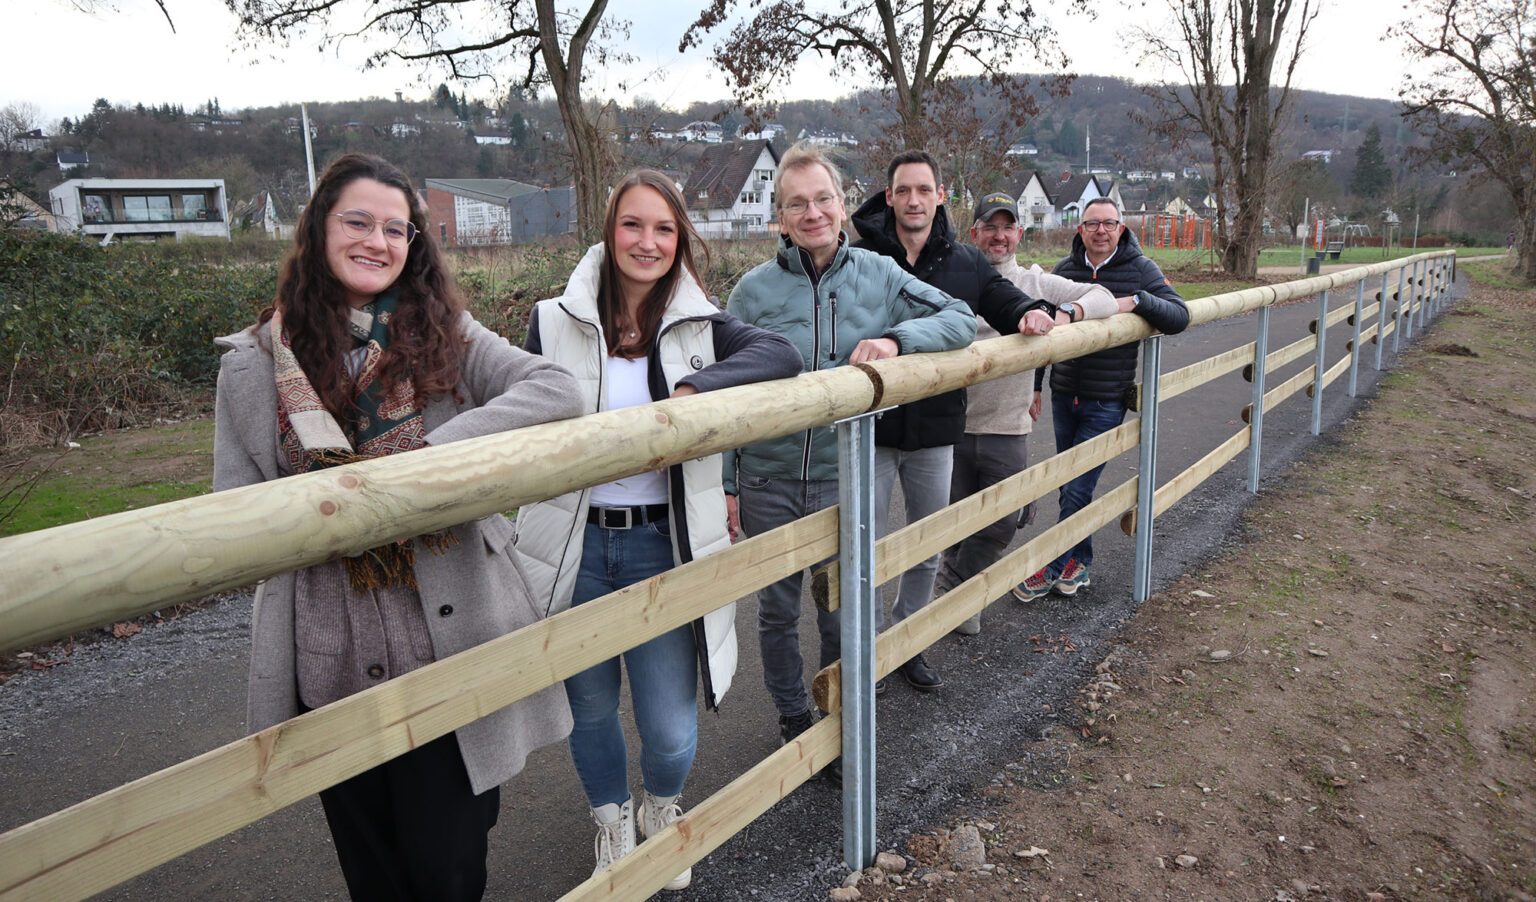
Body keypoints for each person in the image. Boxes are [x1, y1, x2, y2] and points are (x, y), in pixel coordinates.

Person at [212, 152, 582, 901]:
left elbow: (557, 389)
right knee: (375, 875)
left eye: (396, 229)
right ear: (319, 228)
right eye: (359, 222)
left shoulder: (445, 332)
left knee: (449, 868)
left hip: (450, 642)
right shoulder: (254, 367)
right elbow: (233, 514)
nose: (378, 241)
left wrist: (417, 468)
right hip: (331, 656)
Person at [514, 169, 800, 887]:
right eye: (633, 225)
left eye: (664, 228)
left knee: (671, 728)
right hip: (575, 548)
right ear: (609, 233)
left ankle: (659, 808)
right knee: (590, 711)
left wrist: (695, 387)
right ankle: (611, 823)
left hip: (661, 546)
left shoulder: (701, 327)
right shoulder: (553, 321)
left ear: (681, 240)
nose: (648, 242)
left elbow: (782, 355)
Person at [725, 141, 977, 757]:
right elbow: (725, 391)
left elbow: (961, 319)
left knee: (842, 608)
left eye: (823, 200)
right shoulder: (751, 293)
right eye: (796, 204)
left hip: (845, 476)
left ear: (843, 206)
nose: (811, 214)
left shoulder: (881, 274)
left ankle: (837, 707)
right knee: (778, 608)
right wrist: (730, 485)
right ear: (778, 219)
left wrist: (897, 338)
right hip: (768, 477)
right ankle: (792, 717)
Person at [850, 152, 1059, 680]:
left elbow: (999, 296)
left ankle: (909, 641)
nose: (914, 200)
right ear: (891, 196)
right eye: (904, 190)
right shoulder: (859, 257)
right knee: (869, 550)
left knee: (925, 545)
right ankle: (871, 653)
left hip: (938, 428)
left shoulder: (964, 261)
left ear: (941, 195)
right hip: (871, 426)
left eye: (924, 189)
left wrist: (1028, 313)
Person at [933, 191, 1118, 634]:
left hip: (1008, 427)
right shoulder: (952, 280)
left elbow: (1104, 297)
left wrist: (1069, 311)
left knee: (1000, 525)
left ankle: (950, 589)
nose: (999, 236)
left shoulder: (1037, 284)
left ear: (1019, 233)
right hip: (952, 427)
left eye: (1007, 227)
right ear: (974, 232)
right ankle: (954, 603)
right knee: (954, 521)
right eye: (990, 227)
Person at [1014, 196, 1190, 602]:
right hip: (1065, 394)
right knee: (1070, 485)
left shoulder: (1141, 270)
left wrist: (1139, 302)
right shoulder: (1066, 271)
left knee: (1078, 487)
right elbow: (1041, 328)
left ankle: (1055, 565)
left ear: (1121, 229)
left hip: (1105, 399)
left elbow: (1179, 316)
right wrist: (1036, 384)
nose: (1101, 231)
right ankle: (1081, 562)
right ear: (1081, 229)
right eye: (1092, 224)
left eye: (1109, 224)